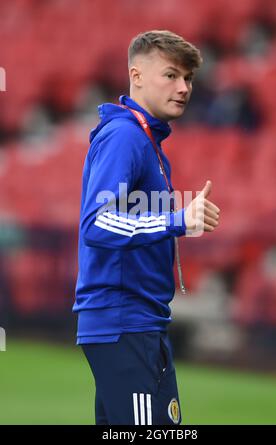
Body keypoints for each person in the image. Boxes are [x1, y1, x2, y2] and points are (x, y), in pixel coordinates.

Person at [73, 30, 220, 425]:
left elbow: (132, 222)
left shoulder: (147, 141)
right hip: (123, 321)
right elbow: (97, 223)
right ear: (136, 76)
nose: (184, 87)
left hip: (142, 321)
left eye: (188, 79)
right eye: (171, 75)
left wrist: (178, 223)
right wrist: (176, 220)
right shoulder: (125, 137)